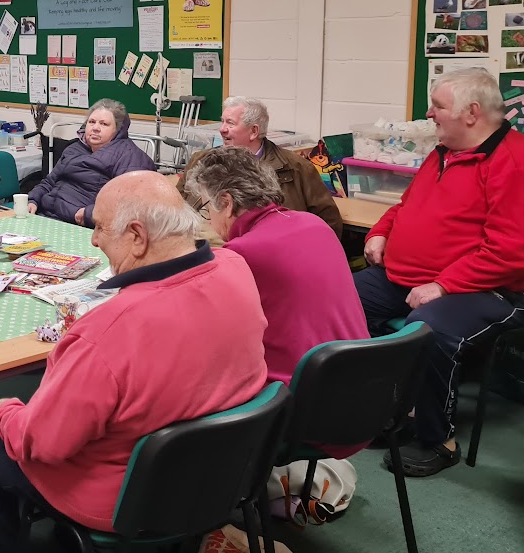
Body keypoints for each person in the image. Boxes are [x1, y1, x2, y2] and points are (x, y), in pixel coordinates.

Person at [0, 172, 268, 553]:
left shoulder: (107, 332)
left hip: (126, 496)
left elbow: (41, 443)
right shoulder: (236, 266)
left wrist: (6, 410)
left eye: (100, 227)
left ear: (137, 236)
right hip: (221, 473)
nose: (94, 240)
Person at [354, 68, 524, 477]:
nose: (429, 113)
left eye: (438, 106)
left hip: (492, 289)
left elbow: (511, 250)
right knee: (342, 297)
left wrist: (444, 285)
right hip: (413, 275)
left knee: (431, 328)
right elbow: (405, 206)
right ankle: (392, 407)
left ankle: (437, 439)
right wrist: (380, 233)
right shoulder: (444, 151)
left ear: (472, 113)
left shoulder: (513, 162)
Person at [186, 146, 368, 389]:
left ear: (226, 203)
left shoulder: (241, 253)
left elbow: (207, 330)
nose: (210, 219)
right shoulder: (315, 224)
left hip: (300, 390)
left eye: (208, 208)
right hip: (359, 375)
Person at [181, 96, 343, 237]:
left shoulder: (296, 167)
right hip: (204, 249)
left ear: (254, 131)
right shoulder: (201, 161)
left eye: (230, 123)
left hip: (270, 251)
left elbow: (329, 222)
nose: (222, 129)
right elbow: (176, 209)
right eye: (222, 121)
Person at [27, 99, 155, 228]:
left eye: (104, 124)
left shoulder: (130, 156)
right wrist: (32, 200)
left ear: (117, 129)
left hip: (80, 225)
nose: (95, 128)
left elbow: (131, 203)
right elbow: (50, 181)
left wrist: (89, 214)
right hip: (45, 215)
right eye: (91, 122)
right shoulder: (74, 148)